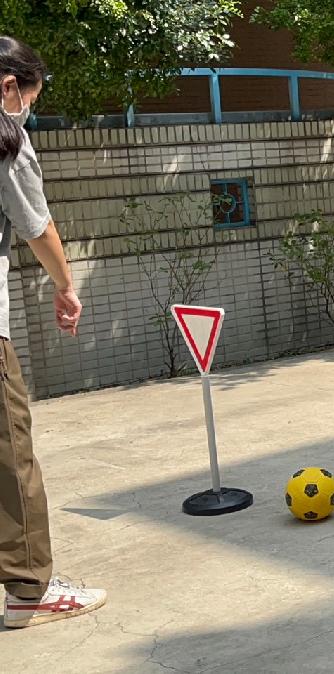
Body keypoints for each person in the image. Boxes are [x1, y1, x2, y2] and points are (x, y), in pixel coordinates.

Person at [0, 36, 107, 629]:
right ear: (9, 86)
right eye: (28, 101)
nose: (26, 115)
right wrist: (66, 287)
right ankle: (29, 590)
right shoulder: (6, 138)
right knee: (12, 459)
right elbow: (37, 226)